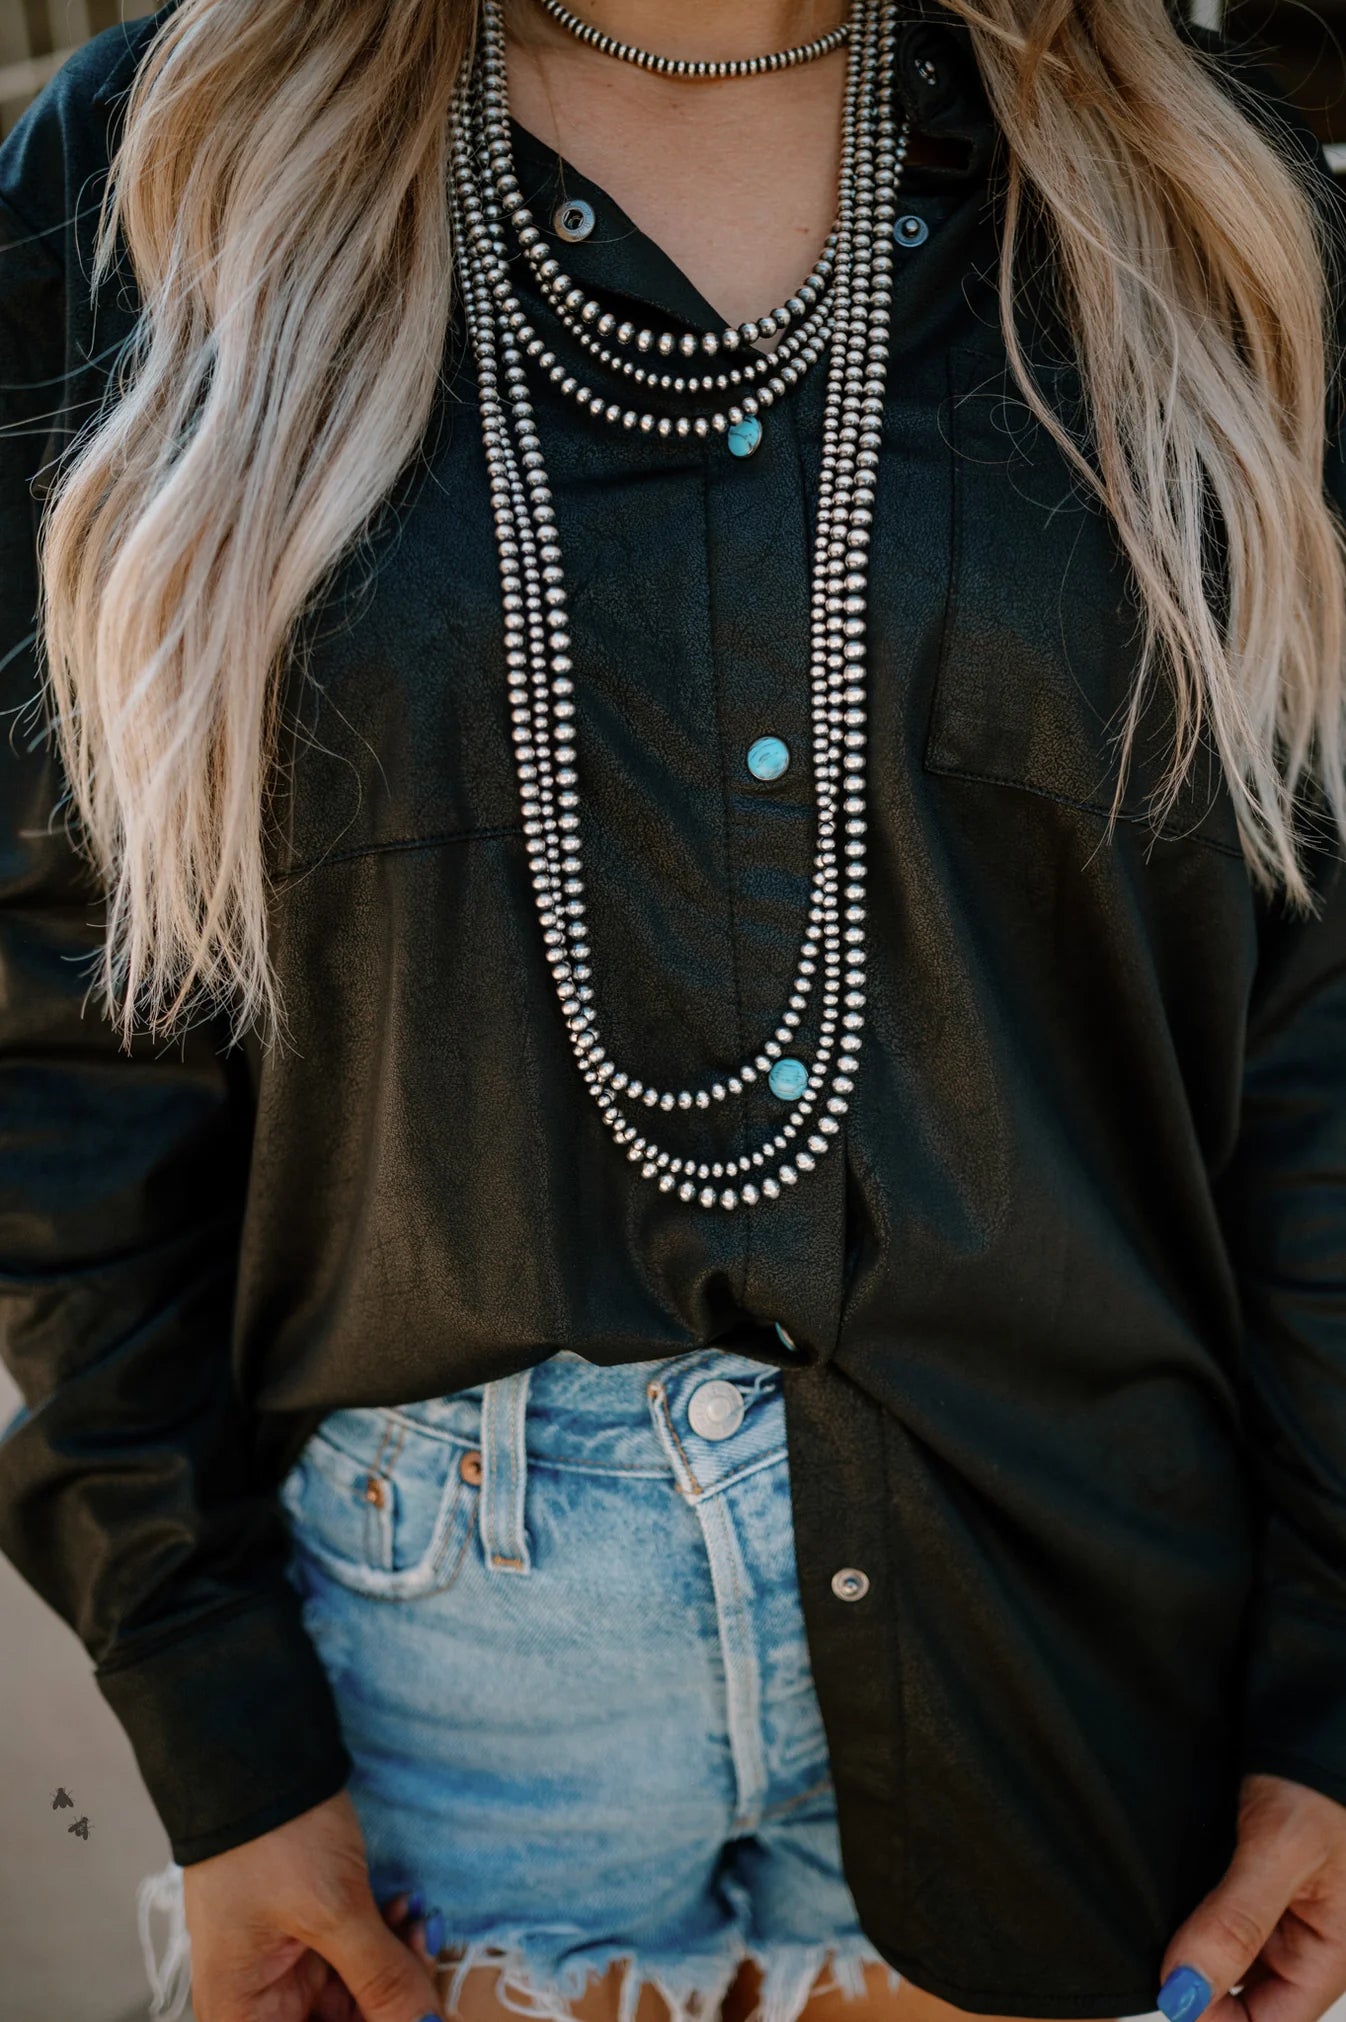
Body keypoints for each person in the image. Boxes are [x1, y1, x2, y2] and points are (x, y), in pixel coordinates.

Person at [3, 2, 1346, 2020]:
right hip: (434, 1678)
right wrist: (214, 1724)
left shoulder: (1193, 188)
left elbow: (1318, 1024)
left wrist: (1331, 1687)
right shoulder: (159, 169)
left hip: (1078, 1603)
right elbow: (62, 1011)